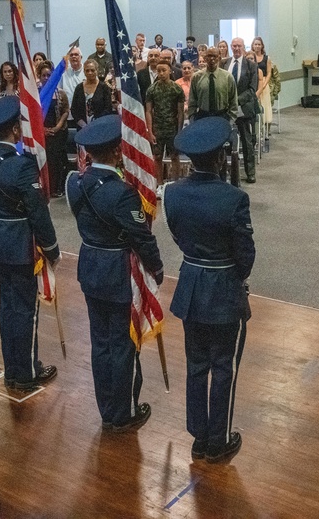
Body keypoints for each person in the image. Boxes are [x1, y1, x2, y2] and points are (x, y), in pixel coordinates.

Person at [66, 114, 164, 432]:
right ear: (117, 152)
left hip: (90, 265)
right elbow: (141, 237)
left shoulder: (74, 183)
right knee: (123, 343)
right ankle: (123, 412)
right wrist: (157, 268)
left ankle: (107, 408)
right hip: (117, 271)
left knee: (101, 342)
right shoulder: (122, 193)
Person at [165, 116, 254, 462]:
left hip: (190, 283)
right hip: (223, 287)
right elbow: (245, 254)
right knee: (223, 365)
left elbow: (176, 235)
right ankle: (218, 439)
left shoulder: (172, 193)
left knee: (196, 363)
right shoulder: (234, 198)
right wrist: (237, 276)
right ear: (220, 157)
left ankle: (199, 435)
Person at [0, 96, 59, 391]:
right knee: (25, 309)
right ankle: (26, 373)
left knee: (7, 306)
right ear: (13, 129)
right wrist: (52, 248)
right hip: (20, 242)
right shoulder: (22, 166)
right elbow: (37, 210)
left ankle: (13, 368)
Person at [145, 62, 185, 194]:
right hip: (158, 128)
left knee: (174, 156)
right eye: (159, 71)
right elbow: (149, 111)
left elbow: (180, 112)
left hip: (172, 128)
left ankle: (175, 182)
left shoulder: (176, 89)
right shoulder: (152, 89)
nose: (161, 73)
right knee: (157, 157)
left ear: (170, 71)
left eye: (164, 70)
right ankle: (159, 184)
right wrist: (150, 131)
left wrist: (179, 131)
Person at [225, 38, 259, 183]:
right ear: (231, 47)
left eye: (239, 46)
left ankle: (250, 172)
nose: (236, 48)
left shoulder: (251, 65)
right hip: (225, 109)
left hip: (243, 108)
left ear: (243, 47)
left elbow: (252, 89)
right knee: (225, 141)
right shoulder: (224, 63)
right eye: (234, 46)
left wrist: (236, 100)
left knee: (247, 142)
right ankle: (224, 172)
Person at [38, 60, 71, 197]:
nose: (46, 78)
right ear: (39, 76)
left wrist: (57, 127)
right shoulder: (37, 94)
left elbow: (66, 110)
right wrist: (42, 129)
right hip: (41, 133)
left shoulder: (60, 93)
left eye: (49, 75)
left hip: (58, 132)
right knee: (45, 161)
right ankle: (46, 188)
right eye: (43, 75)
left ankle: (57, 188)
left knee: (57, 161)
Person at [189, 47, 237, 122]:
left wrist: (230, 120)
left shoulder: (227, 77)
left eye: (214, 56)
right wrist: (192, 118)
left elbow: (233, 101)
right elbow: (192, 100)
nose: (212, 58)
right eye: (209, 56)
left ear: (219, 58)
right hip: (202, 117)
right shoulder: (197, 77)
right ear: (205, 58)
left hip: (222, 116)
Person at [71, 59, 114, 129]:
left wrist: (96, 122)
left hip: (100, 127)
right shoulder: (79, 88)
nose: (90, 73)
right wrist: (81, 123)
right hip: (82, 129)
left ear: (97, 71)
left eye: (92, 70)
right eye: (87, 70)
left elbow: (108, 109)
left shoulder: (104, 87)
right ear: (84, 72)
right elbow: (74, 109)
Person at [250, 36, 273, 127]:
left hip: (263, 82)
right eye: (255, 44)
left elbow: (269, 73)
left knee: (265, 104)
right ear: (252, 45)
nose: (257, 46)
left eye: (259, 44)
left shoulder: (267, 58)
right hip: (253, 81)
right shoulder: (250, 57)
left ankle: (266, 127)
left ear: (262, 46)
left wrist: (264, 84)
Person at [61, 47, 86, 124]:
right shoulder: (64, 73)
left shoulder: (88, 71)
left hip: (84, 115)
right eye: (71, 55)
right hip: (68, 115)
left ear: (81, 57)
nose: (73, 57)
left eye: (76, 54)